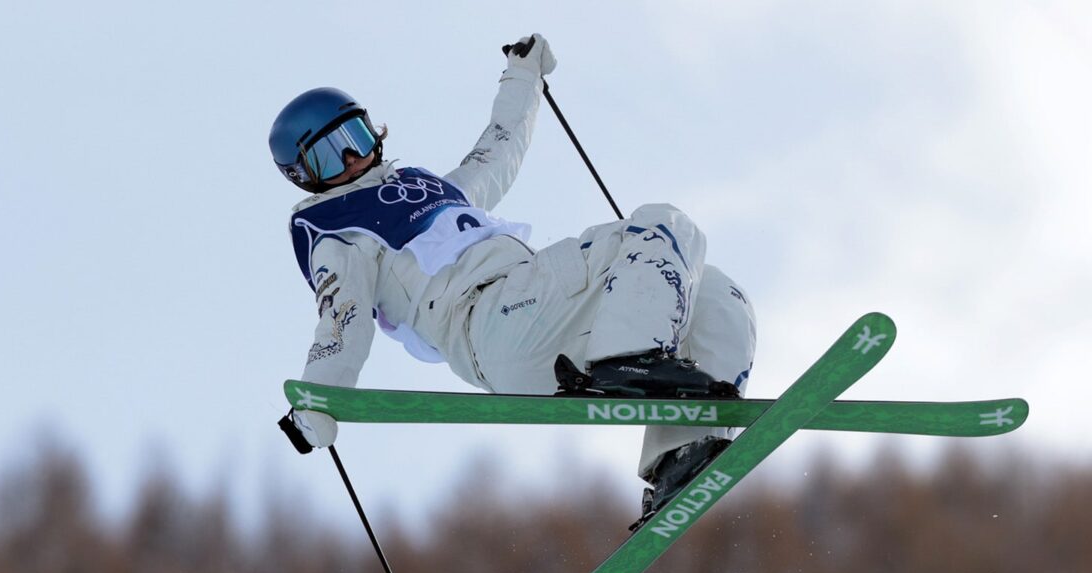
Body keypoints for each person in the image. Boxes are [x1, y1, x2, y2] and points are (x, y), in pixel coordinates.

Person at [271, 34, 756, 527]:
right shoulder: (335, 229)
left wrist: (523, 76)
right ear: (302, 175)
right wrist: (318, 402)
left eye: (356, 134)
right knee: (662, 224)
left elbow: (497, 150)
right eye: (330, 155)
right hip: (493, 318)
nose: (353, 157)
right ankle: (630, 362)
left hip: (547, 330)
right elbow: (342, 320)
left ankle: (682, 451)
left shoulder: (430, 188)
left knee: (713, 290)